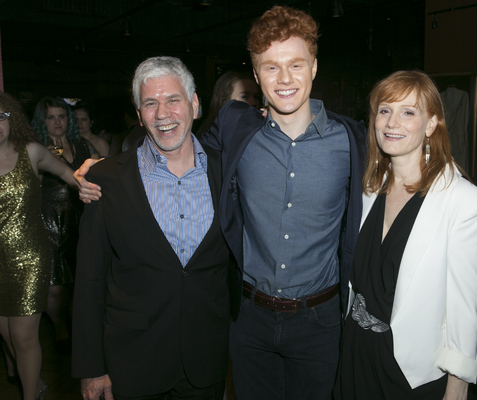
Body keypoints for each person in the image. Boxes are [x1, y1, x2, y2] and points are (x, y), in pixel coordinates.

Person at [75, 6, 366, 399]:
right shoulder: (237, 130)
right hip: (249, 323)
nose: (284, 79)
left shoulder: (353, 141)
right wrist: (99, 167)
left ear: (314, 67)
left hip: (321, 322)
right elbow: (180, 149)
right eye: (270, 68)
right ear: (256, 74)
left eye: (295, 65)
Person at [71, 56, 236, 400]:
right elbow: (89, 280)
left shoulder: (230, 172)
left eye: (173, 100)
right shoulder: (106, 179)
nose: (163, 114)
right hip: (131, 362)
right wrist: (91, 367)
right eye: (150, 103)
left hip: (205, 360)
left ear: (194, 104)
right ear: (138, 111)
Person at [334, 71, 477, 399]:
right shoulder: (366, 188)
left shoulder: (466, 205)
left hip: (408, 371)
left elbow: (465, 308)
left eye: (408, 112)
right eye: (384, 110)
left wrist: (457, 386)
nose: (392, 122)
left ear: (432, 124)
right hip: (353, 352)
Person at [0, 91, 79, 400]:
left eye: (1, 117)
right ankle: (35, 383)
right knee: (6, 332)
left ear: (12, 119)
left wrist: (102, 186)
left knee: (23, 336)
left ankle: (30, 395)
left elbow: (70, 176)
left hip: (27, 257)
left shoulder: (31, 152)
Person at [31, 96, 98, 354]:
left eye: (61, 116)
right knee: (54, 287)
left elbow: (100, 171)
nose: (57, 122)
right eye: (51, 117)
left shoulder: (81, 144)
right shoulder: (37, 147)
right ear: (42, 121)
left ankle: (78, 328)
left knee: (81, 282)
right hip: (47, 220)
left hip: (80, 217)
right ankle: (60, 328)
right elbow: (30, 188)